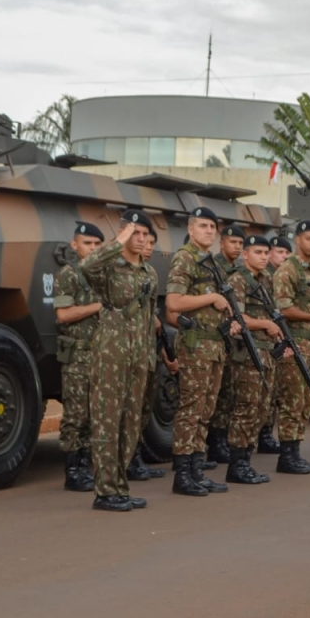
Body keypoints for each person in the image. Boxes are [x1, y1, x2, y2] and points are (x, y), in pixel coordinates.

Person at [80, 210, 160, 511]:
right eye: (135, 233)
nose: (141, 240)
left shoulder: (149, 273)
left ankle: (120, 487)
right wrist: (118, 241)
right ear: (124, 233)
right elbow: (86, 265)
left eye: (145, 234)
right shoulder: (110, 267)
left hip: (139, 354)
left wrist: (150, 357)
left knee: (130, 423)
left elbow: (149, 317)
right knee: (106, 422)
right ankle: (104, 491)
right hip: (111, 352)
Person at [165, 206, 234, 497]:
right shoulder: (185, 258)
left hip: (214, 346)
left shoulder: (211, 262)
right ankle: (182, 474)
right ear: (191, 229)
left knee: (205, 411)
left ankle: (196, 469)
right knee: (190, 410)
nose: (208, 230)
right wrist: (213, 297)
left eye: (212, 226)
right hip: (195, 347)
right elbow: (174, 302)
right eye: (203, 225)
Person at [224, 234, 288, 484]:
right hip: (248, 354)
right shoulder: (238, 279)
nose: (263, 257)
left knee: (262, 409)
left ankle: (246, 461)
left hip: (266, 353)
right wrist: (265, 324)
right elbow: (236, 316)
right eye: (258, 252)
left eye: (265, 252)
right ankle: (237, 464)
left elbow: (274, 313)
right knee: (246, 408)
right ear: (245, 254)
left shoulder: (266, 279)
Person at [273, 220, 310, 474]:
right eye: (309, 239)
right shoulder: (288, 270)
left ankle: (295, 452)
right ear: (297, 239)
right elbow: (284, 308)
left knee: (306, 400)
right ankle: (287, 455)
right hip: (296, 342)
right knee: (293, 400)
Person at [53, 221, 103, 492]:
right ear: (75, 246)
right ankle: (73, 470)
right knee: (76, 414)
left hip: (99, 354)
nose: (93, 249)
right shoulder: (68, 275)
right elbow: (63, 315)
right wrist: (97, 306)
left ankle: (87, 466)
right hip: (77, 356)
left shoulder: (103, 274)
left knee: (96, 414)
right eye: (87, 244)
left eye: (97, 245)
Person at [130, 230, 175, 481]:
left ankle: (136, 457)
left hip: (148, 351)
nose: (148, 248)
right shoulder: (121, 273)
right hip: (129, 351)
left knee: (144, 408)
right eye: (144, 243)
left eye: (152, 244)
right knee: (129, 410)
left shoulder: (150, 273)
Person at [207, 224, 247, 463]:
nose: (237, 247)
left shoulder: (238, 270)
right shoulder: (215, 267)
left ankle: (220, 440)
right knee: (216, 393)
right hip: (215, 337)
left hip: (232, 340)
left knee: (227, 392)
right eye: (233, 242)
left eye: (240, 243)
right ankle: (214, 442)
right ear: (222, 243)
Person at [257, 235, 293, 454]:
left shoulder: (277, 277)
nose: (284, 257)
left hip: (277, 339)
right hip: (263, 339)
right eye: (280, 252)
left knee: (273, 390)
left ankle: (266, 433)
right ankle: (262, 434)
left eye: (287, 253)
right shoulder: (266, 277)